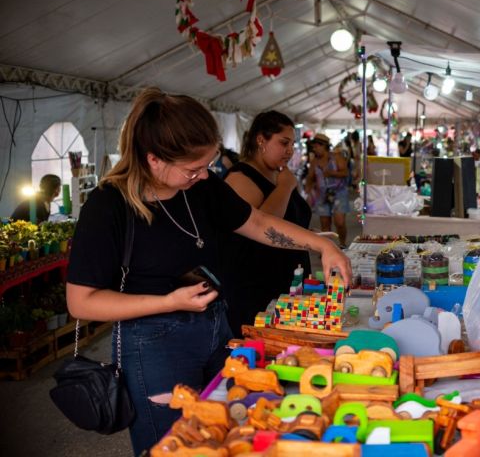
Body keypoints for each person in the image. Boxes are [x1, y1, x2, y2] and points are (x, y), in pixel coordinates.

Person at [65, 89, 351, 455]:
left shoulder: (202, 187)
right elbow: (82, 302)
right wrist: (168, 301)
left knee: (226, 432)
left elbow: (259, 221)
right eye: (193, 169)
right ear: (153, 159)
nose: (203, 176)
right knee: (173, 444)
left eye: (206, 166)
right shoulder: (109, 206)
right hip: (154, 344)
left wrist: (320, 244)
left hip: (217, 328)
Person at [222, 111, 312, 336]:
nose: (290, 150)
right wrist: (285, 187)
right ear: (261, 140)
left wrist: (317, 237)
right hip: (258, 287)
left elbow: (291, 220)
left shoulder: (278, 175)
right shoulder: (240, 178)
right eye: (283, 143)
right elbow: (261, 227)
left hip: (286, 281)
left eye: (292, 143)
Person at [306, 133, 350, 247]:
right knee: (325, 223)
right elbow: (310, 178)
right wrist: (308, 192)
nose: (314, 149)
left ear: (323, 146)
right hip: (322, 194)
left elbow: (345, 173)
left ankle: (342, 244)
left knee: (339, 222)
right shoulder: (314, 161)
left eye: (316, 146)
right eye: (313, 147)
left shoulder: (337, 157)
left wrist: (331, 173)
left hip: (339, 192)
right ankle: (328, 248)